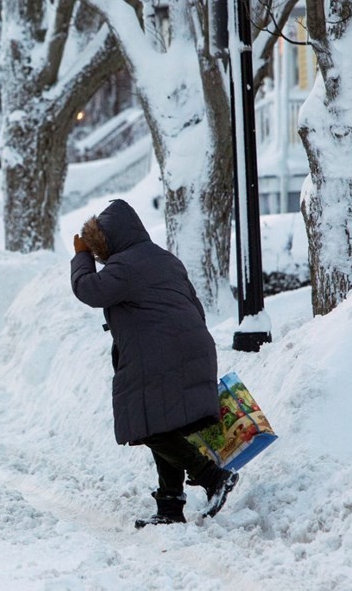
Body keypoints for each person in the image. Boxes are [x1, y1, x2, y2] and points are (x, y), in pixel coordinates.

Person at [70, 199, 238, 527]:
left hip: (164, 356)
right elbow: (193, 306)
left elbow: (88, 290)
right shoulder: (164, 258)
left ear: (108, 239)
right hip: (192, 349)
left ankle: (212, 477)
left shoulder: (125, 266)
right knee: (163, 424)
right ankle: (170, 506)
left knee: (149, 428)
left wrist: (81, 257)